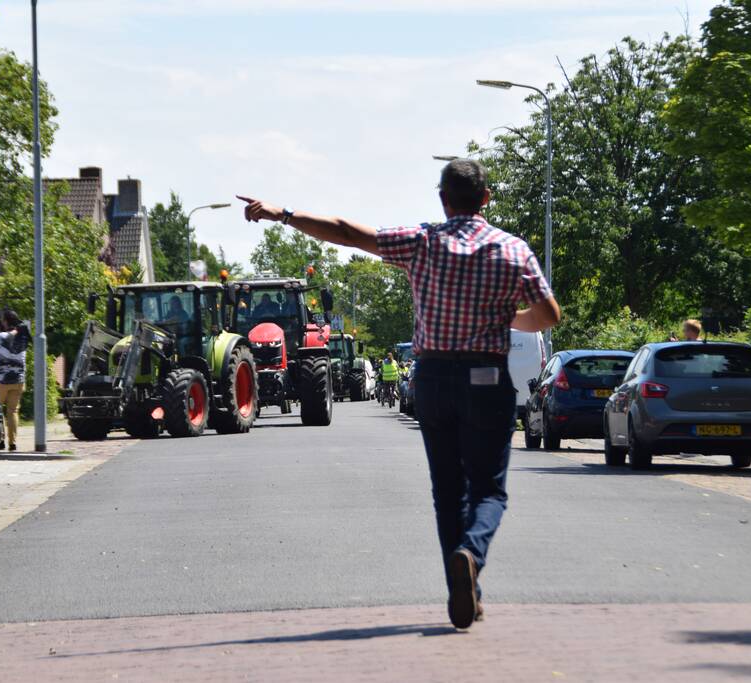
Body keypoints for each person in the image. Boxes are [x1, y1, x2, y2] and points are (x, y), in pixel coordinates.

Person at [238, 158, 560, 630]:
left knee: (447, 491)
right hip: (486, 378)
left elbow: (347, 231)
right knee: (488, 489)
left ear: (443, 199)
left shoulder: (422, 242)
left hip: (433, 378)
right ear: (486, 199)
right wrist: (508, 317)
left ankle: (462, 587)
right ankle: (471, 555)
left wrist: (282, 214)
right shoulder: (513, 249)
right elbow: (548, 314)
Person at [0, 309, 30, 452]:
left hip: (1, 380)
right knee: (13, 411)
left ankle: (0, 441)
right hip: (18, 379)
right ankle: (13, 443)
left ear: (4, 321)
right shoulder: (23, 336)